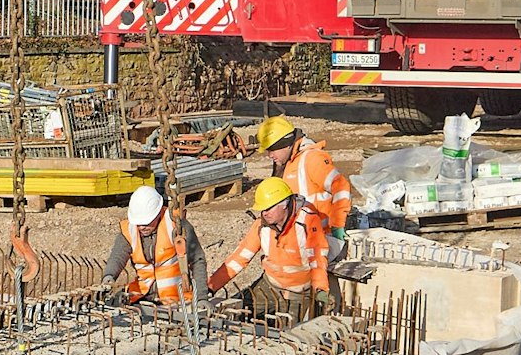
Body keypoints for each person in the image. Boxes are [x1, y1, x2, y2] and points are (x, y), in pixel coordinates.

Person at [207, 176, 333, 322]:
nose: (264, 213)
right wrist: (211, 286)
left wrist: (320, 291)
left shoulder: (307, 221)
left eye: (268, 208)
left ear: (284, 204)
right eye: (262, 209)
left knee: (290, 337)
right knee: (234, 312)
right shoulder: (262, 225)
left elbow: (318, 259)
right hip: (269, 285)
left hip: (298, 293)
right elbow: (239, 258)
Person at [104, 186, 204, 307]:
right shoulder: (129, 231)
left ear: (158, 213)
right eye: (139, 224)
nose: (142, 227)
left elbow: (197, 260)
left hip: (177, 298)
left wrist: (201, 298)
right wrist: (109, 276)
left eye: (147, 222)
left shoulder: (176, 226)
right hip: (141, 295)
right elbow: (117, 257)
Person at [256, 114, 352, 235]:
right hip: (299, 237)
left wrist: (338, 224)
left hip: (321, 237)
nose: (269, 155)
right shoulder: (285, 162)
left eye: (272, 150)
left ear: (286, 145)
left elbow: (340, 186)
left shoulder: (312, 159)